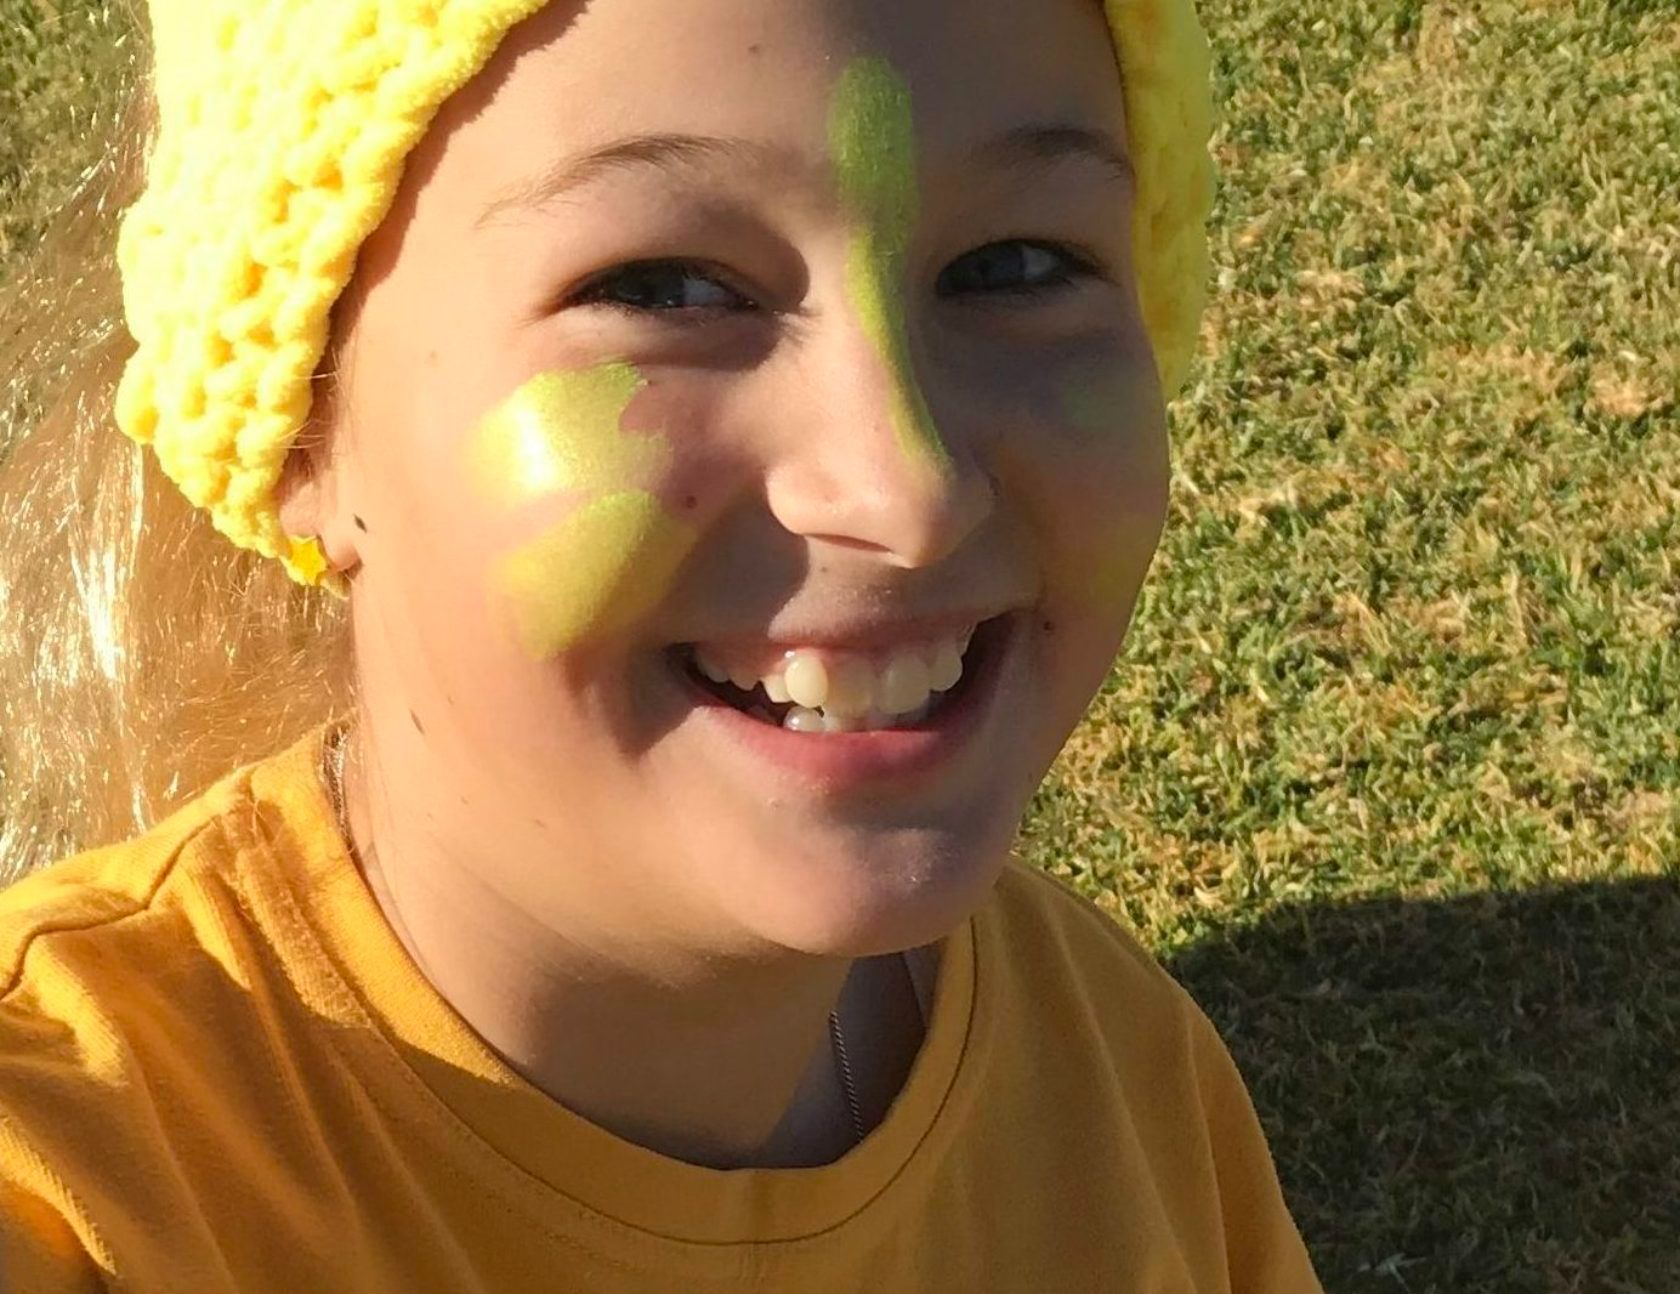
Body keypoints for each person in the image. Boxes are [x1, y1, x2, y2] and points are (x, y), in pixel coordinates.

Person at [0, 0, 1325, 1288]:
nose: (906, 488)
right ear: (306, 423)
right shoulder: (71, 1190)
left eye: (1017, 266)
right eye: (668, 288)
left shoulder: (1119, 1091)